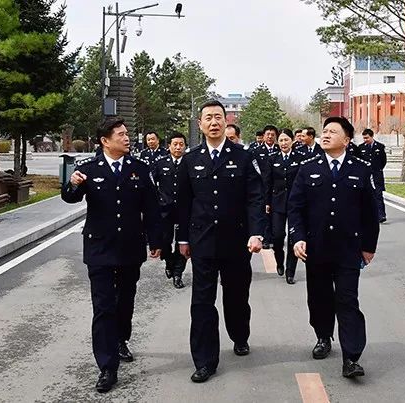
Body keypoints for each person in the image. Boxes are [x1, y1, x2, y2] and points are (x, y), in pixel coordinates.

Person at [61, 117, 162, 393]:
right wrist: (71, 183)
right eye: (121, 134)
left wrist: (156, 240)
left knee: (126, 299)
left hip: (130, 246)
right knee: (103, 305)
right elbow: (70, 197)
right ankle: (107, 366)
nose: (127, 138)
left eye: (127, 134)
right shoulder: (88, 169)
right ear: (105, 141)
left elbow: (151, 208)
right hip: (99, 248)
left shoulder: (140, 170)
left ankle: (121, 340)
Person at [177, 100, 267, 383]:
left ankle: (240, 335)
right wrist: (182, 239)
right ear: (200, 124)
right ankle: (204, 360)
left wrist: (256, 232)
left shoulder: (243, 156)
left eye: (219, 117)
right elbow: (183, 203)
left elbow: (255, 197)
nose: (214, 122)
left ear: (226, 122)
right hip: (202, 241)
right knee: (202, 302)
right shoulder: (190, 160)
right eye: (208, 118)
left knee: (237, 296)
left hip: (237, 240)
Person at [288, 116, 380, 379]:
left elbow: (370, 213)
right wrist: (298, 237)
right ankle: (323, 336)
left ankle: (351, 357)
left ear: (347, 139)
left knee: (347, 299)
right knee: (319, 297)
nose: (325, 135)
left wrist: (368, 246)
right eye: (324, 131)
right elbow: (296, 208)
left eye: (332, 131)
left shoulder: (361, 169)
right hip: (316, 248)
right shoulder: (308, 168)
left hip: (348, 249)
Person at [265, 128, 304, 284]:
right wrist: (267, 202)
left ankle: (290, 271)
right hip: (277, 202)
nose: (283, 143)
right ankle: (279, 261)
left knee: (294, 237)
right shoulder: (272, 159)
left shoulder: (300, 158)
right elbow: (267, 182)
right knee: (277, 235)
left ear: (292, 141)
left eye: (286, 140)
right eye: (280, 140)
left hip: (296, 203)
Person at [151, 132, 189, 289]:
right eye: (175, 144)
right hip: (164, 209)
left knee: (183, 242)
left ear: (185, 146)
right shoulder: (161, 163)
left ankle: (178, 273)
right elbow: (152, 184)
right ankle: (169, 262)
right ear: (169, 146)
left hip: (184, 210)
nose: (178, 147)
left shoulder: (190, 163)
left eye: (181, 144)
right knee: (165, 241)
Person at [357, 128, 387, 222]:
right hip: (365, 176)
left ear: (372, 136)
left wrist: (377, 169)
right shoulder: (361, 148)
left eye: (367, 138)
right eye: (364, 138)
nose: (365, 140)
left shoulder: (380, 147)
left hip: (376, 175)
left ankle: (381, 215)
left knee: (378, 195)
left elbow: (383, 161)